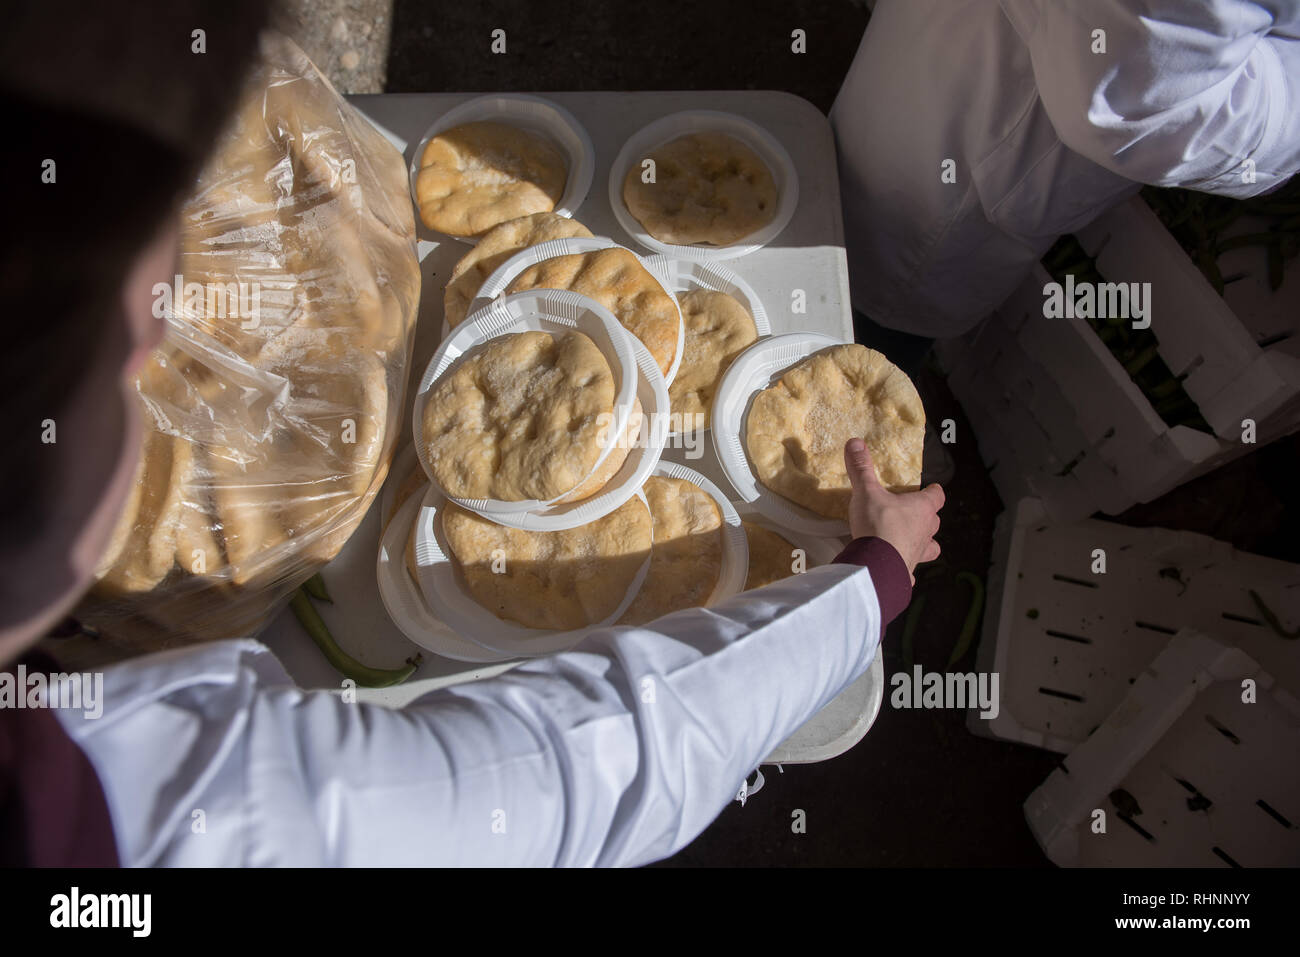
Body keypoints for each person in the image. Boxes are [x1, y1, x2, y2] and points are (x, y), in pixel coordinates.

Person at [0, 2, 944, 866]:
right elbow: (589, 763)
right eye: (121, 347)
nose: (163, 336)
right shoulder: (168, 805)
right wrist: (870, 582)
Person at [832, 0, 1300, 345]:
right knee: (876, 298)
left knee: (853, 249)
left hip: (960, 59)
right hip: (989, 123)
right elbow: (1141, 99)